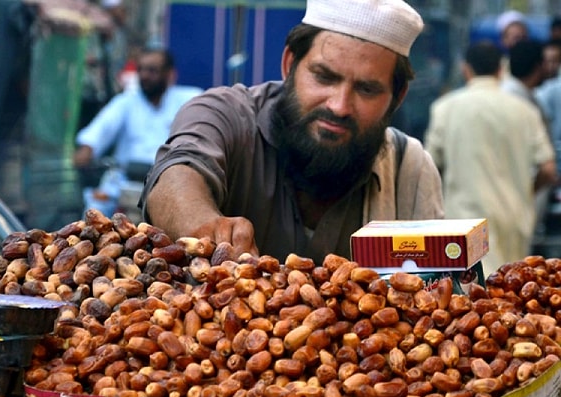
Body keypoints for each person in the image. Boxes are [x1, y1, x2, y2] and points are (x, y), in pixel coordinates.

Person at [139, 0, 445, 264]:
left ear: (397, 96)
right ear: (289, 64)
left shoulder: (410, 172)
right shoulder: (226, 114)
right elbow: (177, 174)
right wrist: (206, 229)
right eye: (324, 77)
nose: (339, 106)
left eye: (366, 89)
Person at [424, 41, 557, 278]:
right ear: (500, 69)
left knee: (467, 300)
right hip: (513, 217)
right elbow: (548, 169)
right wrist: (526, 193)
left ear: (466, 69)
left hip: (463, 221)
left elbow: (429, 167)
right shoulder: (525, 111)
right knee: (512, 292)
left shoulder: (445, 108)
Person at [74, 47, 203, 217]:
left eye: (152, 70)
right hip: (123, 181)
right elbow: (101, 128)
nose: (144, 76)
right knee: (94, 210)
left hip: (168, 182)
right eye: (140, 69)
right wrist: (87, 149)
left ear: (170, 74)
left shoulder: (189, 99)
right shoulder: (126, 102)